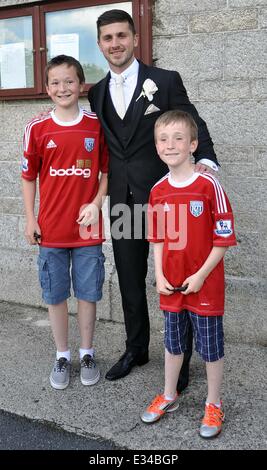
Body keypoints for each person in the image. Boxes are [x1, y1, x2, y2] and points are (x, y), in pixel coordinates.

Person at [88, 9, 219, 388]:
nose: (115, 44)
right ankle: (136, 348)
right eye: (108, 38)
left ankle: (181, 361)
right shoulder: (96, 92)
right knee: (130, 277)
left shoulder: (163, 81)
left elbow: (194, 122)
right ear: (100, 45)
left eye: (121, 36)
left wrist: (206, 161)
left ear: (135, 39)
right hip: (123, 202)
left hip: (167, 200)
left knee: (177, 279)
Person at [141, 110, 236, 438]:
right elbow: (157, 237)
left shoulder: (209, 185)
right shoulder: (158, 191)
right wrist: (160, 274)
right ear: (156, 147)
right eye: (163, 139)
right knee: (173, 342)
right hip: (172, 285)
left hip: (204, 285)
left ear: (193, 144)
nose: (170, 145)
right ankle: (169, 395)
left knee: (210, 346)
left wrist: (200, 276)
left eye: (178, 138)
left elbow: (223, 239)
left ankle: (214, 403)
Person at [21, 55, 109, 390]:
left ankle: (87, 352)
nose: (63, 88)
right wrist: (31, 218)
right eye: (55, 82)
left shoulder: (95, 125)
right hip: (52, 229)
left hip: (88, 231)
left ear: (81, 84)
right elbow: (28, 177)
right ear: (46, 89)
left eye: (69, 81)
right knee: (55, 294)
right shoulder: (38, 128)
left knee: (88, 293)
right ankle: (62, 355)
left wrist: (97, 203)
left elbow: (106, 173)